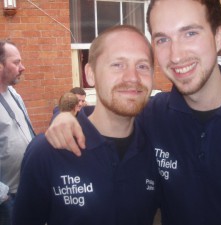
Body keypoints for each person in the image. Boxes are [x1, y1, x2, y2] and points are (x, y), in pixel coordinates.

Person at [45, 0, 221, 225]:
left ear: (219, 37)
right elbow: (109, 117)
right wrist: (66, 116)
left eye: (190, 33)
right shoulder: (154, 114)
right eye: (162, 39)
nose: (176, 55)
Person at [12, 25, 160, 225]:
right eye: (118, 64)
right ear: (90, 74)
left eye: (142, 66)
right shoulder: (47, 152)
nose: (132, 77)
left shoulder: (156, 149)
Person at [0, 40, 35, 225]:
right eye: (16, 62)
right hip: (6, 200)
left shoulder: (14, 93)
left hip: (25, 190)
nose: (23, 67)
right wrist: (3, 196)